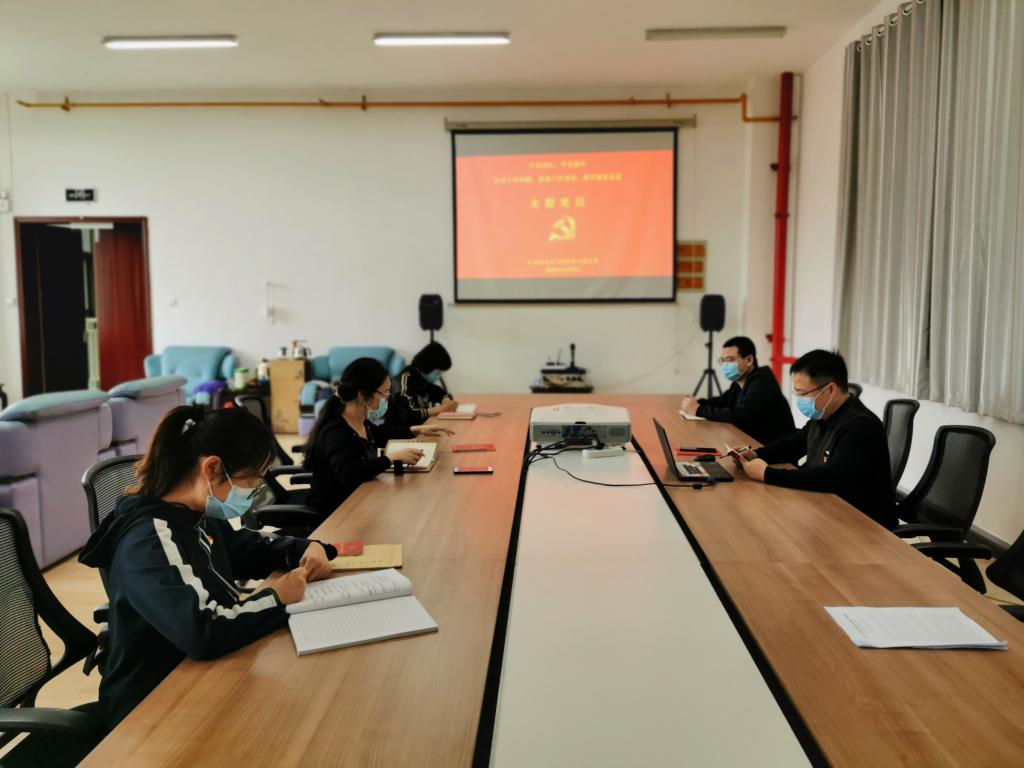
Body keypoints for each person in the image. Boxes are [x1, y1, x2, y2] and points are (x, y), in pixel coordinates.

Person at [78, 406, 338, 729]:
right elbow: (202, 632)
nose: (253, 492)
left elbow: (246, 548)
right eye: (251, 481)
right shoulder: (149, 541)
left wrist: (306, 548)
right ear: (212, 468)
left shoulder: (193, 514)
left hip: (204, 677)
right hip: (151, 707)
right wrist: (276, 597)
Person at [731, 349, 896, 528]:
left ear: (830, 390)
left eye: (802, 394)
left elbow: (830, 478)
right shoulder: (824, 416)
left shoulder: (861, 426)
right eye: (796, 393)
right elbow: (791, 446)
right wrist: (755, 454)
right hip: (827, 509)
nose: (799, 400)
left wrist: (766, 473)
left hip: (863, 526)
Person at [304, 357, 454, 515]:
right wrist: (390, 458)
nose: (388, 398)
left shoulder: (359, 421)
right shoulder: (336, 431)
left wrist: (416, 430)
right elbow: (350, 473)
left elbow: (382, 434)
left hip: (360, 502)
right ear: (362, 396)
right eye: (385, 393)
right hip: (335, 514)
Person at [680, 336, 795, 445]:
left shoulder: (762, 382)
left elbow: (738, 416)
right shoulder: (738, 383)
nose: (725, 365)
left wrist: (698, 410)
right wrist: (696, 403)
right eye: (722, 360)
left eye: (729, 360)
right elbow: (722, 402)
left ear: (749, 360)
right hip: (752, 444)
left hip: (774, 450)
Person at [386, 341, 458, 429]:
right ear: (427, 366)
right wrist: (440, 409)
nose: (438, 377)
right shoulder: (404, 382)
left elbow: (439, 392)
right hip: (403, 432)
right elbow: (407, 415)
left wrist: (445, 400)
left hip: (422, 427)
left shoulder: (421, 377)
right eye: (437, 372)